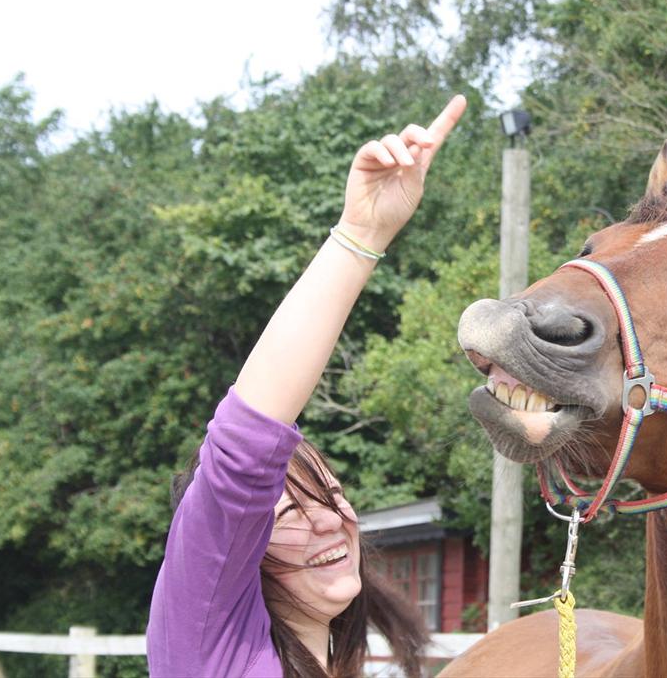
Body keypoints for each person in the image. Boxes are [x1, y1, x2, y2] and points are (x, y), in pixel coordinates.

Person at [147, 95, 468, 678]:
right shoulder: (205, 645)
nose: (328, 519)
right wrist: (359, 234)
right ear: (236, 551)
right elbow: (244, 446)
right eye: (286, 512)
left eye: (327, 494)